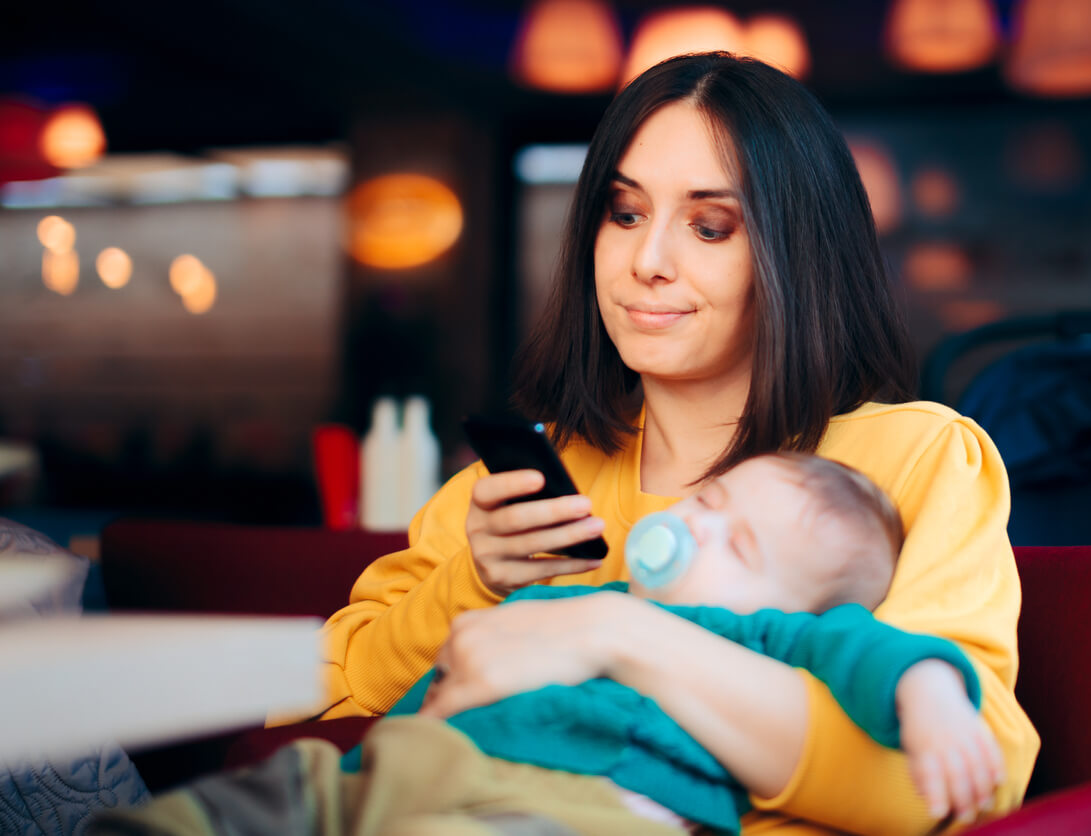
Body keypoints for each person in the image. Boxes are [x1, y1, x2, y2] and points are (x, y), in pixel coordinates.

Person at [311, 52, 1039, 834]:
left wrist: (615, 633)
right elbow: (328, 697)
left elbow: (961, 784)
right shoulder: (516, 488)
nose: (645, 262)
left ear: (793, 255)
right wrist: (473, 583)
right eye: (624, 214)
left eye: (709, 226)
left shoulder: (918, 462)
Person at [87, 455, 1000, 836]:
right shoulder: (589, 586)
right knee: (278, 795)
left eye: (740, 546)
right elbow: (441, 667)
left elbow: (873, 654)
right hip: (414, 764)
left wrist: (929, 699)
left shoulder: (771, 636)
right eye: (707, 503)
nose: (699, 528)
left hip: (570, 808)